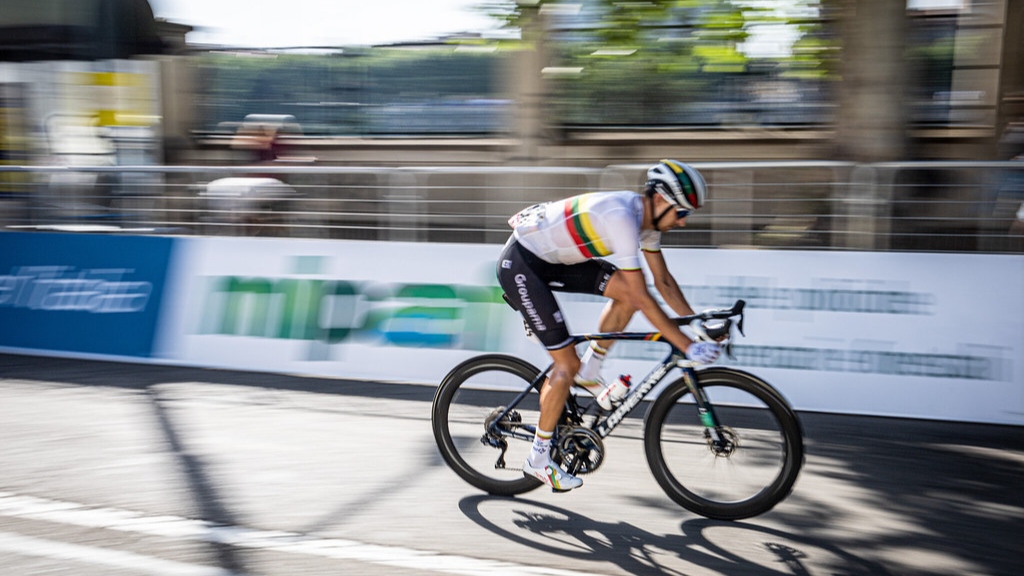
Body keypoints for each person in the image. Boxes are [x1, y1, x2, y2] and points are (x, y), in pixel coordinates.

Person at [496, 159, 722, 492]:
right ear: (661, 200)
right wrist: (687, 346)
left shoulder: (647, 224)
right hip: (524, 263)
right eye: (682, 212)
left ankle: (591, 369)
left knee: (625, 297)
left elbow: (662, 281)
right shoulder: (621, 217)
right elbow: (643, 296)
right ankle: (539, 459)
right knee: (565, 363)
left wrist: (695, 325)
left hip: (556, 259)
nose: (683, 222)